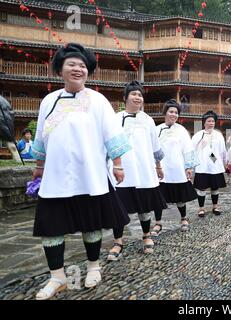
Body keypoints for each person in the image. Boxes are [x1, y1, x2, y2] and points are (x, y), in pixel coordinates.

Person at [30, 43, 131, 300]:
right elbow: (41, 138)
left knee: (91, 223)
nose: (78, 69)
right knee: (51, 227)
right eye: (72, 64)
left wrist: (117, 164)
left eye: (83, 66)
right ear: (60, 70)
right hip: (55, 176)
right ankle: (57, 277)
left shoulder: (97, 100)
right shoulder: (48, 101)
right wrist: (39, 167)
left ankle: (93, 267)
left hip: (90, 174)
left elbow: (113, 135)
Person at [107, 81, 167, 261]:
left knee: (144, 207)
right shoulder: (115, 119)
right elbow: (108, 143)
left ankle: (146, 235)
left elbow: (156, 147)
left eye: (140, 95)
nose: (137, 97)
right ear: (125, 98)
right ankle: (118, 241)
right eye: (133, 94)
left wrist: (158, 166)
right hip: (121, 172)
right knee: (119, 208)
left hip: (143, 170)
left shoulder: (147, 120)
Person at [156, 99, 198, 232]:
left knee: (180, 197)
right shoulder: (157, 129)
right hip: (161, 168)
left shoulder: (181, 130)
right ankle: (158, 222)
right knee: (159, 197)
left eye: (176, 112)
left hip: (177, 168)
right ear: (165, 113)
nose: (174, 114)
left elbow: (188, 149)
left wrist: (189, 166)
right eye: (171, 111)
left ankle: (184, 218)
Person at [192, 110, 227, 217]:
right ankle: (201, 208)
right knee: (201, 188)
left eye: (212, 121)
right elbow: (192, 149)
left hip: (215, 165)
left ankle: (215, 206)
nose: (211, 123)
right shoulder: (198, 135)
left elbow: (222, 150)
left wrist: (224, 161)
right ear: (204, 122)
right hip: (202, 165)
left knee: (215, 187)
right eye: (208, 121)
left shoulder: (218, 135)